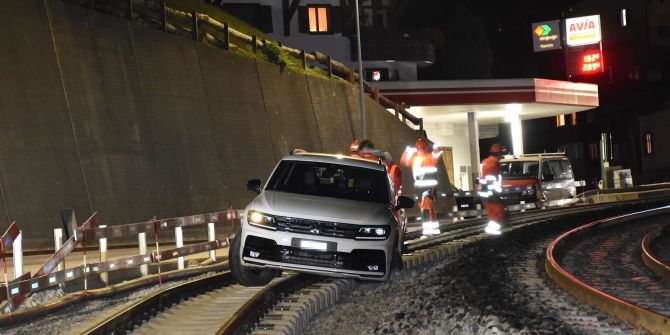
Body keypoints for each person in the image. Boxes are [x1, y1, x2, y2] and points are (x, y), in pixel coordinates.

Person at [401, 138, 443, 236]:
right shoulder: (414, 159)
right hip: (419, 189)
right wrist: (407, 151)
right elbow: (403, 161)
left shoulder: (430, 157)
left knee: (426, 208)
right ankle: (435, 229)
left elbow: (438, 153)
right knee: (428, 209)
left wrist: (436, 147)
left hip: (429, 188)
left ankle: (427, 232)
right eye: (418, 148)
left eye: (421, 148)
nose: (419, 150)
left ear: (425, 148)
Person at [479, 143, 505, 235]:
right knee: (499, 211)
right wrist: (497, 192)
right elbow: (492, 180)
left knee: (491, 213)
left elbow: (482, 178)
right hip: (491, 191)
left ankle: (492, 231)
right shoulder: (494, 163)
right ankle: (494, 232)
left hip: (483, 191)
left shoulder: (484, 161)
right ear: (498, 154)